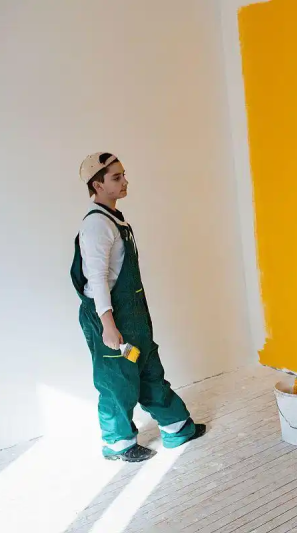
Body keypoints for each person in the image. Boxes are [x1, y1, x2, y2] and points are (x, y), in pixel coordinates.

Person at [70, 152, 206, 462]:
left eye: (123, 175)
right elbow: (97, 279)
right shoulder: (96, 226)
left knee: (147, 368)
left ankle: (176, 426)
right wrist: (108, 326)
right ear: (97, 185)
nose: (125, 181)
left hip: (133, 318)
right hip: (112, 318)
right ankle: (118, 443)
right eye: (116, 177)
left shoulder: (115, 219)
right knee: (116, 379)